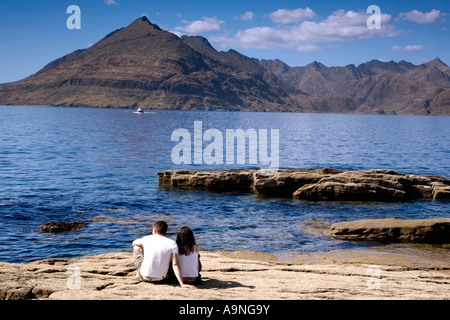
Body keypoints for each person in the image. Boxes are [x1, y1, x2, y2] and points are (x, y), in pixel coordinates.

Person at [132, 221, 196, 289]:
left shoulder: (146, 238)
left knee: (137, 247)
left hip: (144, 277)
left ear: (154, 230)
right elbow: (175, 264)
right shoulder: (172, 243)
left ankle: (138, 273)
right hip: (161, 279)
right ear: (165, 231)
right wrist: (182, 284)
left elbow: (134, 243)